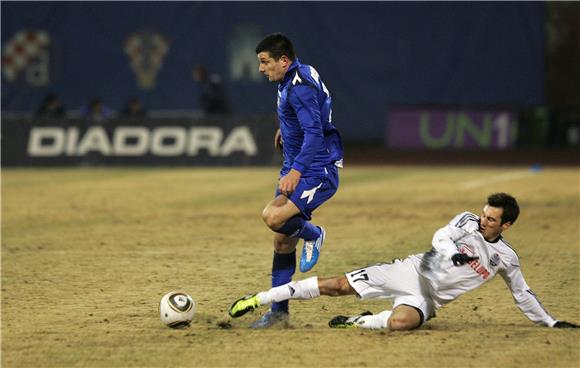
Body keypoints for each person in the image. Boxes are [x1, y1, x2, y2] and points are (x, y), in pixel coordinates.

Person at [229, 193, 578, 331]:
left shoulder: (507, 258)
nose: (483, 220)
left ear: (507, 225)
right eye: (485, 214)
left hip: (428, 298)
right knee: (336, 286)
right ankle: (259, 298)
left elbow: (522, 293)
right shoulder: (467, 222)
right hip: (409, 270)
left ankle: (359, 322)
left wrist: (550, 322)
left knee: (400, 324)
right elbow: (441, 235)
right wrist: (449, 251)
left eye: (491, 219)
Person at [249, 33, 343, 328]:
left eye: (265, 62)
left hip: (316, 171)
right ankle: (279, 314)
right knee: (281, 242)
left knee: (273, 217)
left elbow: (315, 133)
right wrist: (286, 128)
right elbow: (311, 112)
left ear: (284, 60)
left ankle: (314, 233)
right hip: (298, 165)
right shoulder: (295, 76)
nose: (262, 68)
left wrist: (297, 171)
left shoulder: (298, 87)